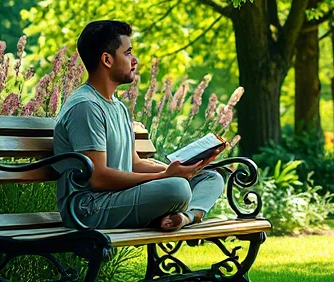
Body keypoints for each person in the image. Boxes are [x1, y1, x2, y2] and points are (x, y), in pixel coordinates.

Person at [52, 20, 225, 232]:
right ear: (107, 59)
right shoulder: (86, 107)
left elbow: (133, 163)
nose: (135, 60)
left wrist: (185, 170)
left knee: (210, 177)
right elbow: (97, 178)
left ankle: (184, 217)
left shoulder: (118, 107)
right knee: (177, 188)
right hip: (89, 208)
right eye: (128, 53)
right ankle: (180, 213)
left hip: (118, 197)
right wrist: (165, 177)